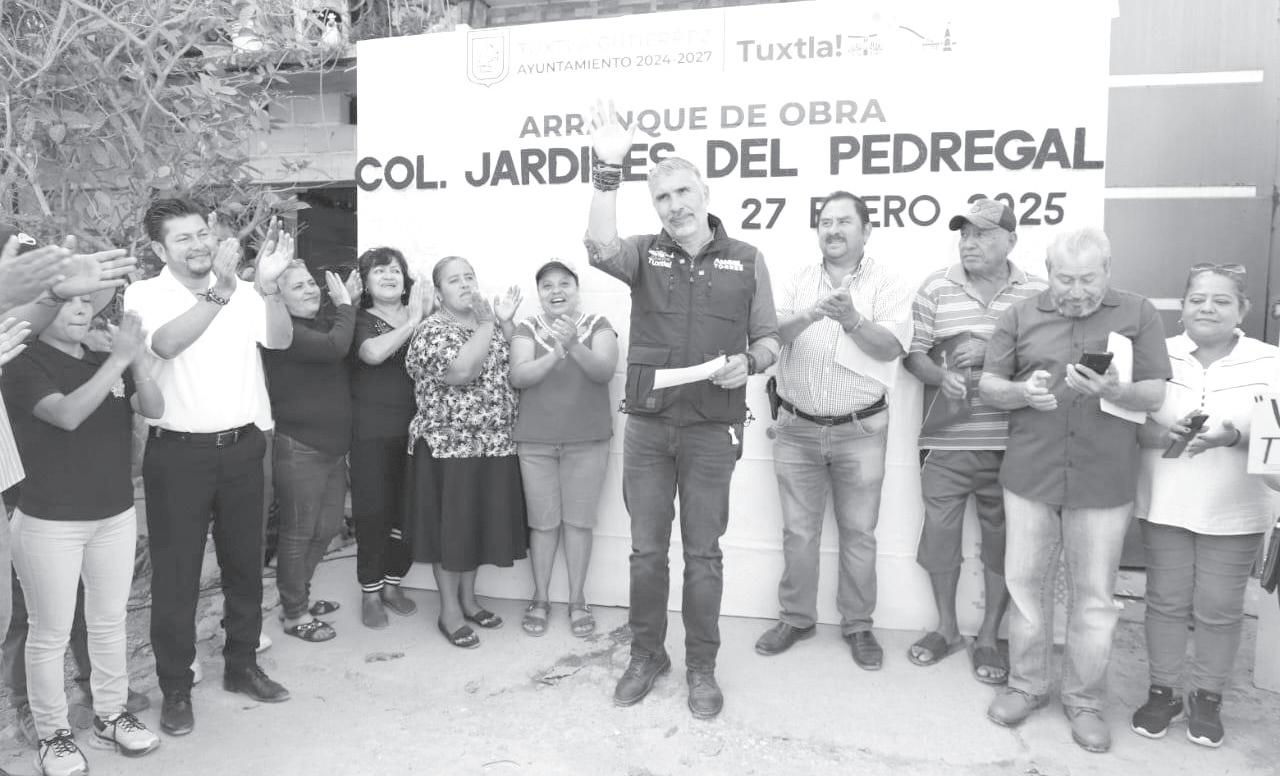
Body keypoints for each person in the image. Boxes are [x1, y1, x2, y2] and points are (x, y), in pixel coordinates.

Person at [584, 102, 780, 719]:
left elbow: (769, 339)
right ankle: (648, 655)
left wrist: (750, 363)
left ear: (705, 193)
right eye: (662, 197)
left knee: (704, 555)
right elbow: (598, 246)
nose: (674, 205)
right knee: (646, 552)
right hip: (648, 427)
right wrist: (608, 170)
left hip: (712, 429)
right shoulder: (644, 253)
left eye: (682, 192)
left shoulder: (747, 258)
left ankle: (701, 667)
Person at [979, 227, 1169, 753]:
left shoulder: (1138, 313)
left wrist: (1115, 390)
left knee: (1093, 599)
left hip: (1103, 479)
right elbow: (989, 386)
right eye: (1065, 279)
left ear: (1107, 270)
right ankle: (1027, 686)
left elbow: (1155, 393)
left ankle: (1085, 702)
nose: (1077, 290)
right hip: (1031, 476)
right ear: (1048, 271)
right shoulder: (1020, 315)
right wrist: (1021, 392)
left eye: (1088, 279)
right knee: (1026, 588)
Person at [123, 200, 294, 737]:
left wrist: (268, 288)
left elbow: (281, 339)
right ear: (159, 249)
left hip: (244, 447)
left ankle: (242, 665)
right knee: (177, 575)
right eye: (183, 238)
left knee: (245, 566)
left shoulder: (241, 289)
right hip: (178, 455)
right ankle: (176, 685)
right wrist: (221, 289)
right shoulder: (144, 294)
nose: (199, 245)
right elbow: (166, 344)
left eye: (203, 233)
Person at [2, 302, 164, 775]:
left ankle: (111, 715)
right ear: (42, 309)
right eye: (66, 301)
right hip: (48, 521)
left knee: (109, 621)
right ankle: (53, 736)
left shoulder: (102, 357)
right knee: (49, 633)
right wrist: (120, 358)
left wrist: (135, 360)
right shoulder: (23, 362)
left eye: (84, 301)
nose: (79, 309)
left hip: (114, 514)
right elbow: (67, 414)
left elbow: (154, 408)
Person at [752, 191, 910, 671]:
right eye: (825, 222)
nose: (833, 230)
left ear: (867, 230)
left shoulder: (887, 282)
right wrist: (811, 314)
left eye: (844, 221)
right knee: (798, 532)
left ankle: (858, 625)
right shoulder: (797, 279)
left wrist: (852, 320)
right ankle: (796, 618)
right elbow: (770, 335)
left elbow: (891, 348)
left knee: (859, 533)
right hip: (796, 428)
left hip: (860, 429)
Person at [1129, 263, 1279, 748]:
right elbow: (1127, 422)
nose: (1207, 308)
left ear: (1243, 309)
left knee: (1219, 608)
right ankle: (1163, 692)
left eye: (1221, 300)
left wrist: (1233, 437)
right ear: (1182, 306)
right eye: (1197, 299)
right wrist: (1161, 434)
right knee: (1165, 602)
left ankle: (1208, 697)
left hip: (1234, 509)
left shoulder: (1270, 362)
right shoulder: (1156, 354)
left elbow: (1275, 439)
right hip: (1164, 502)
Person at [901, 200, 1047, 683]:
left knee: (1003, 543)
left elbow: (1050, 359)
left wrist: (995, 352)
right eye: (964, 234)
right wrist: (938, 375)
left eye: (983, 234)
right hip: (945, 441)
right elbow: (913, 355)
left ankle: (988, 637)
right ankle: (946, 629)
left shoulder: (1036, 293)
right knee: (939, 537)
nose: (969, 242)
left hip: (1015, 442)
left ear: (1011, 240)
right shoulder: (935, 288)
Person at [404, 256, 526, 649]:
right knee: (452, 532)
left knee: (475, 528)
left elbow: (515, 372)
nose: (465, 284)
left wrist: (500, 324)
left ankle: (470, 601)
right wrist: (489, 324)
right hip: (449, 447)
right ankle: (449, 611)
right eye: (454, 280)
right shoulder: (432, 330)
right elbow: (461, 372)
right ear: (439, 293)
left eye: (469, 276)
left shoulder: (487, 325)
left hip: (494, 444)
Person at [509, 260, 618, 638]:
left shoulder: (599, 324)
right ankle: (540, 598)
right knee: (542, 524)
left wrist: (573, 343)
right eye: (547, 285)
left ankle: (577, 600)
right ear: (539, 293)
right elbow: (519, 375)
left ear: (576, 288)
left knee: (579, 524)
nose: (556, 291)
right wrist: (556, 352)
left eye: (564, 284)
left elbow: (603, 371)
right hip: (536, 443)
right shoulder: (526, 328)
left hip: (588, 442)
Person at [262, 263, 361, 642]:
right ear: (279, 298)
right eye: (298, 286)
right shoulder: (284, 333)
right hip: (300, 449)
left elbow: (339, 342)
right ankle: (294, 613)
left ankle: (297, 597)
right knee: (299, 533)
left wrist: (346, 307)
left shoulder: (317, 326)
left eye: (310, 283)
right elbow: (336, 346)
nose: (309, 290)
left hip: (332, 449)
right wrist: (346, 304)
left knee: (327, 528)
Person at [349, 247, 428, 629]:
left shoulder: (423, 316)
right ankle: (370, 591)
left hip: (417, 429)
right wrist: (413, 322)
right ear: (365, 283)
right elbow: (372, 353)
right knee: (373, 513)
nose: (389, 276)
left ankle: (393, 583)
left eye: (395, 270)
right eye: (379, 271)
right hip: (372, 431)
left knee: (409, 511)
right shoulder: (359, 318)